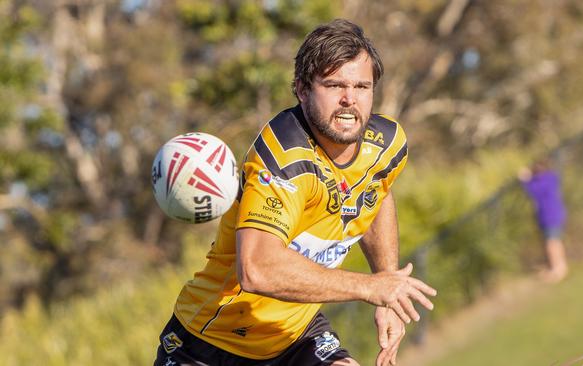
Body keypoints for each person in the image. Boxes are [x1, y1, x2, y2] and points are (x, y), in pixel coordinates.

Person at [154, 19, 437, 366]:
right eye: (334, 85)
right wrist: (370, 287)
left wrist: (386, 286)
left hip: (294, 334)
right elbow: (256, 269)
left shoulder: (387, 145)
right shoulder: (282, 158)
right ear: (302, 89)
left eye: (362, 86)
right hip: (209, 343)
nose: (350, 100)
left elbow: (376, 189)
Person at [518, 159, 569, 283]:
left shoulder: (542, 181)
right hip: (555, 215)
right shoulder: (552, 178)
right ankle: (561, 267)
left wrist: (525, 180)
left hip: (550, 217)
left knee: (551, 243)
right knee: (555, 242)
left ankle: (557, 270)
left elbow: (533, 192)